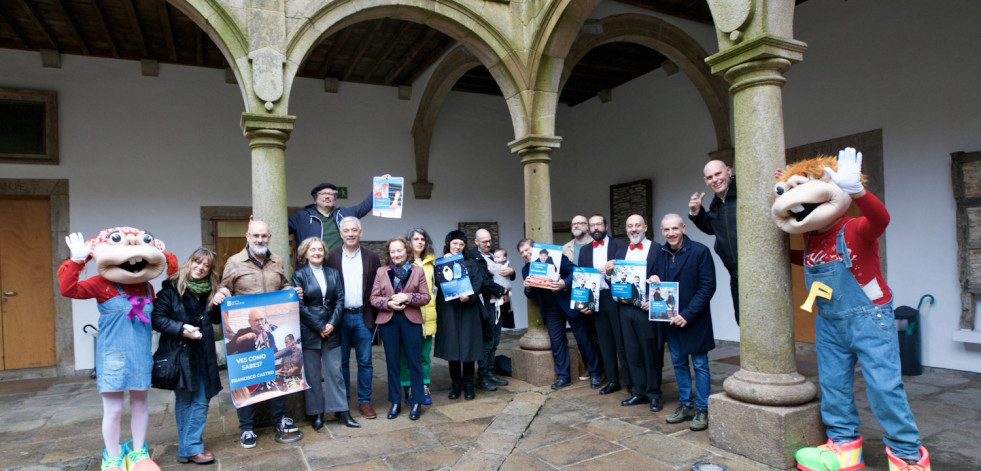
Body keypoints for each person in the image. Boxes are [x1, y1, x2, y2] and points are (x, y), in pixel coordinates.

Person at [773, 148, 929, 471]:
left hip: (869, 317)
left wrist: (858, 192)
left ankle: (908, 458)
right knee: (834, 387)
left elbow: (881, 219)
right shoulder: (812, 239)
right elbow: (808, 261)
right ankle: (843, 448)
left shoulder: (855, 228)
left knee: (884, 387)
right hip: (829, 322)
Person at [59, 227, 177, 471]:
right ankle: (112, 456)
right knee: (112, 411)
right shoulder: (101, 284)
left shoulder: (147, 287)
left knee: (140, 406)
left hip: (140, 354)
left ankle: (138, 452)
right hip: (112, 355)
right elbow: (68, 290)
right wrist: (76, 261)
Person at [219, 218, 303, 448]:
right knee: (245, 377)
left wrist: (291, 291)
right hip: (247, 334)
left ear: (269, 238)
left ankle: (279, 419)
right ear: (247, 236)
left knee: (273, 375)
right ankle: (246, 428)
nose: (260, 240)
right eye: (255, 236)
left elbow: (283, 284)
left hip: (268, 333)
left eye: (264, 236)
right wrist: (222, 293)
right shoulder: (234, 262)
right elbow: (224, 287)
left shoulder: (276, 260)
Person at [151, 248, 226, 464]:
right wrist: (181, 327)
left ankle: (187, 448)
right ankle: (192, 447)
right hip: (180, 355)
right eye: (197, 262)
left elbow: (216, 319)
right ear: (189, 262)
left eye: (206, 266)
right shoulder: (170, 291)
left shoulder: (209, 292)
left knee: (200, 399)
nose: (201, 267)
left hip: (203, 353)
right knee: (188, 400)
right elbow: (158, 319)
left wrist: (221, 300)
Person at [649, 214, 716, 432]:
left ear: (683, 228)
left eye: (675, 228)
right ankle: (686, 405)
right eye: (667, 230)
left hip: (694, 320)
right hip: (670, 321)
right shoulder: (660, 253)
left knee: (700, 365)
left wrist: (687, 314)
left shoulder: (699, 251)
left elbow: (707, 287)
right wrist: (653, 279)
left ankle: (702, 409)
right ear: (662, 230)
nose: (671, 233)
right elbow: (654, 277)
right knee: (678, 363)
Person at [291, 237, 360, 431]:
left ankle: (342, 411)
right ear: (305, 253)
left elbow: (340, 299)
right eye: (312, 250)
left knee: (335, 372)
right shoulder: (299, 275)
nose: (317, 253)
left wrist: (331, 323)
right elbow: (300, 305)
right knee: (312, 375)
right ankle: (316, 414)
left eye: (320, 249)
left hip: (332, 328)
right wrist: (319, 326)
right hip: (310, 330)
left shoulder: (333, 273)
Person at [519, 238, 603, 390]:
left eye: (527, 250)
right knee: (557, 343)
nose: (525, 254)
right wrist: (528, 288)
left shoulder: (558, 259)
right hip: (551, 310)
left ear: (536, 249)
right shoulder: (526, 271)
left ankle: (595, 373)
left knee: (583, 339)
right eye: (522, 252)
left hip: (570, 303)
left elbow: (576, 271)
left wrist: (564, 282)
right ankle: (563, 377)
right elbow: (531, 296)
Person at [370, 237, 432, 420]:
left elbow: (425, 297)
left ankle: (417, 401)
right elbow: (373, 298)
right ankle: (395, 401)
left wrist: (407, 298)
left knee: (414, 362)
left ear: (407, 252)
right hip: (389, 322)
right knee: (392, 363)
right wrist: (388, 302)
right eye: (392, 251)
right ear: (388, 254)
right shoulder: (381, 272)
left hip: (410, 321)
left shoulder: (417, 271)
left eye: (400, 250)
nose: (396, 254)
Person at [325, 216, 381, 420]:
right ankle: (344, 402)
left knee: (365, 362)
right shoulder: (330, 257)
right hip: (340, 318)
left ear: (361, 232)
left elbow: (377, 287)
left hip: (363, 316)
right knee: (342, 363)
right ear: (341, 233)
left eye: (354, 230)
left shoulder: (372, 257)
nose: (350, 234)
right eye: (346, 230)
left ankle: (365, 401)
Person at [609, 214, 664, 412]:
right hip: (624, 308)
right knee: (631, 351)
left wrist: (655, 294)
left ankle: (654, 393)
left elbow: (664, 278)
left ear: (645, 227)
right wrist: (609, 273)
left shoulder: (657, 249)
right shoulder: (620, 250)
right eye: (630, 226)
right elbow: (614, 281)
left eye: (637, 225)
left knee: (650, 351)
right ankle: (638, 392)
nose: (634, 229)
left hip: (646, 309)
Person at [577, 214, 629, 395]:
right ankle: (613, 381)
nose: (596, 228)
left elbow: (626, 274)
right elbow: (583, 279)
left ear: (606, 226)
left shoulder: (620, 246)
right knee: (604, 342)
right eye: (592, 225)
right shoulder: (584, 251)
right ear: (589, 228)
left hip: (615, 298)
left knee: (621, 340)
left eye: (599, 224)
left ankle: (630, 382)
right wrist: (586, 302)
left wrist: (608, 273)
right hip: (596, 299)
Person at [434, 230, 489, 400]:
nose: (457, 247)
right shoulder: (441, 261)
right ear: (448, 244)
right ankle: (456, 385)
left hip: (468, 310)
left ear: (465, 246)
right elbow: (437, 281)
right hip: (449, 310)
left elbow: (478, 282)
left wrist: (470, 295)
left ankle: (469, 385)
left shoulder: (471, 262)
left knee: (468, 348)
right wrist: (447, 262)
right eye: (454, 243)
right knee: (453, 349)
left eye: (461, 244)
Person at [688, 159, 739, 325]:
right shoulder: (716, 203)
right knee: (743, 320)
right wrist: (697, 212)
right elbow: (712, 228)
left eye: (718, 173)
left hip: (757, 271)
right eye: (710, 177)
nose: (715, 179)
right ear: (705, 181)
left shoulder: (744, 191)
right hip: (736, 275)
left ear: (729, 171)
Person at [288, 177, 389, 258]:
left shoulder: (343, 213)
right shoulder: (302, 216)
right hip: (311, 267)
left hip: (337, 265)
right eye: (323, 194)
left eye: (331, 194)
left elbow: (364, 206)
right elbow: (280, 230)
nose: (327, 196)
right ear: (315, 198)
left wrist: (380, 186)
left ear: (334, 199)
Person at [470, 228, 512, 392]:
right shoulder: (473, 257)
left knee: (495, 341)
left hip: (498, 305)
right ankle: (482, 377)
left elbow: (506, 272)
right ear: (476, 242)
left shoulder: (495, 254)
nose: (488, 244)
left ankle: (490, 372)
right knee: (486, 342)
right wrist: (503, 291)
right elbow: (482, 281)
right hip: (485, 305)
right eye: (484, 241)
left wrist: (512, 272)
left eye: (489, 241)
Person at [399, 228, 437, 406]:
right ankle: (409, 387)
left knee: (424, 355)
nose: (420, 242)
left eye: (423, 239)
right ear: (409, 242)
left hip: (428, 315)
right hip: (409, 315)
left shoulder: (431, 264)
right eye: (416, 239)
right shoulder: (403, 264)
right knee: (407, 355)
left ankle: (424, 385)